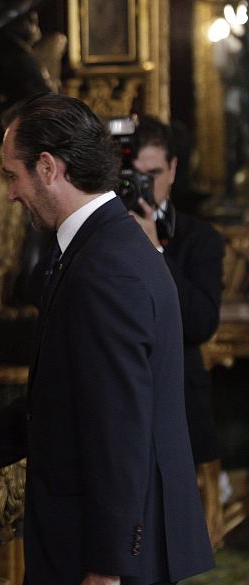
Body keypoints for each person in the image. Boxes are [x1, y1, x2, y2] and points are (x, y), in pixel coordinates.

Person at [0, 93, 214, 585]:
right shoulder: (96, 247)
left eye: (12, 175)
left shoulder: (107, 267)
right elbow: (72, 396)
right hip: (87, 547)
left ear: (48, 167)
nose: (11, 193)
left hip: (106, 562)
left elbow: (120, 427)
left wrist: (106, 571)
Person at [130, 115, 225, 467]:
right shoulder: (98, 233)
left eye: (152, 175)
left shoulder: (200, 239)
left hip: (180, 409)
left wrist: (154, 250)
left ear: (172, 169)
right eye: (134, 176)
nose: (143, 186)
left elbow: (201, 323)